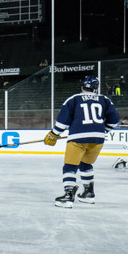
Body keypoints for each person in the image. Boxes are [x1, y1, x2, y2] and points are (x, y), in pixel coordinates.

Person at [45, 75, 120, 207]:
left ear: (82, 86)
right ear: (96, 88)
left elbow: (63, 121)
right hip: (97, 139)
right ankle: (88, 194)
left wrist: (53, 134)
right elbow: (114, 121)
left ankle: (68, 196)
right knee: (85, 164)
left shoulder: (74, 99)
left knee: (70, 165)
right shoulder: (104, 99)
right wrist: (102, 130)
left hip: (78, 138)